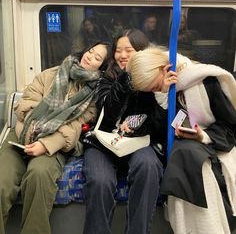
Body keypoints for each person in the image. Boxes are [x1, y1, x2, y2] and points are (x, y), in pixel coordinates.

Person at [0, 42, 109, 234]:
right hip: (22, 132)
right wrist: (35, 126)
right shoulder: (49, 74)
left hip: (55, 144)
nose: (89, 57)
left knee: (39, 175)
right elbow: (26, 103)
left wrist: (45, 143)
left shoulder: (94, 94)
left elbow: (75, 126)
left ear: (102, 66)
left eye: (97, 58)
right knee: (2, 180)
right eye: (90, 51)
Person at [127, 46, 236, 234]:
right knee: (183, 154)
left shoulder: (205, 82)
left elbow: (230, 127)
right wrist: (162, 96)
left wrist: (203, 136)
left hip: (212, 141)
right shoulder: (154, 92)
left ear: (164, 69)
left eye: (154, 86)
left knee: (188, 156)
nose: (153, 90)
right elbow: (158, 133)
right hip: (180, 147)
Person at [83, 29, 171, 234]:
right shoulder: (107, 77)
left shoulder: (155, 81)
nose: (122, 56)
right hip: (104, 142)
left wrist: (160, 93)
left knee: (149, 166)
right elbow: (108, 116)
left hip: (139, 141)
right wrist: (127, 79)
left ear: (141, 52)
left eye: (129, 50)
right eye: (118, 51)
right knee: (100, 180)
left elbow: (159, 127)